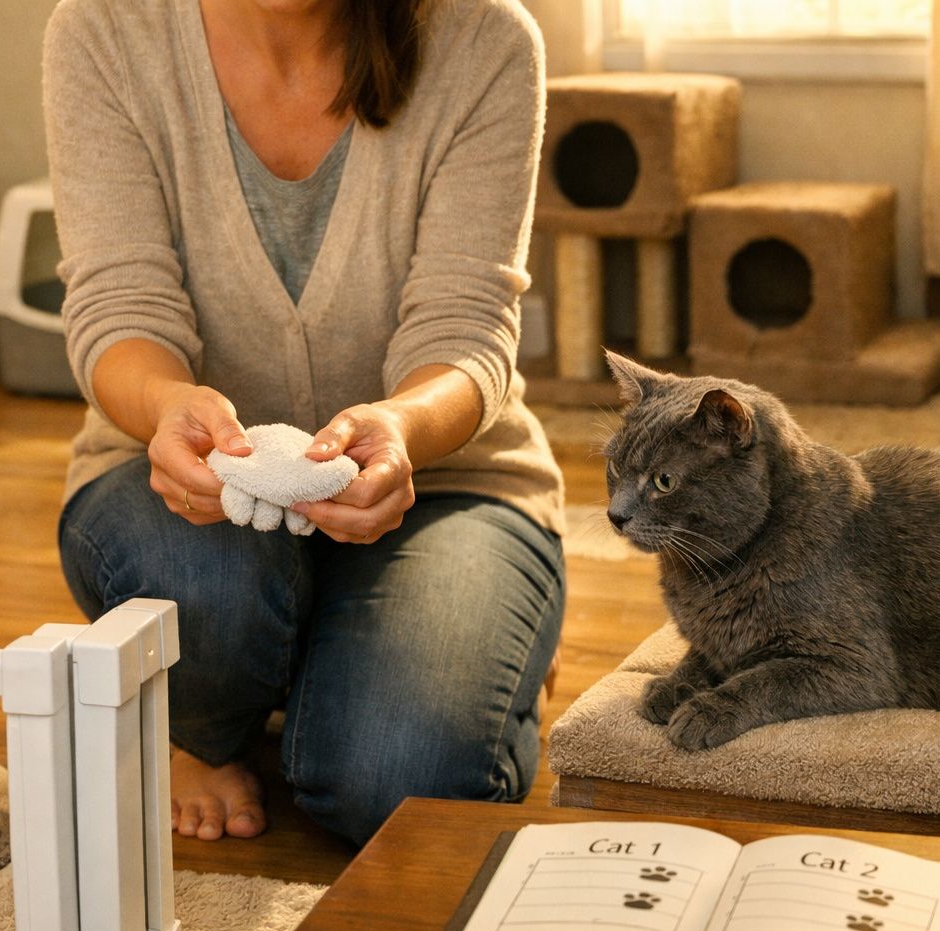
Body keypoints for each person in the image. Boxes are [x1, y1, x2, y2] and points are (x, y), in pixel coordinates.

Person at [44, 0, 566, 847]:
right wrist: (167, 407)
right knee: (213, 585)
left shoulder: (484, 37)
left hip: (445, 480)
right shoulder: (107, 27)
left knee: (399, 787)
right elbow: (117, 305)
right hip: (167, 478)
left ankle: (455, 647)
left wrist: (401, 427)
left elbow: (466, 327)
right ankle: (204, 728)